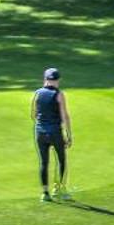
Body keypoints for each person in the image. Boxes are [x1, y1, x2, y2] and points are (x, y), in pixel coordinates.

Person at [31, 67, 72, 202]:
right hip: (55, 132)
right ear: (58, 80)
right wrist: (68, 134)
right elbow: (64, 116)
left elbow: (33, 115)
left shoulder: (37, 93)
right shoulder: (59, 94)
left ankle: (45, 193)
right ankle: (59, 189)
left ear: (45, 79)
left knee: (44, 162)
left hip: (40, 132)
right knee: (61, 160)